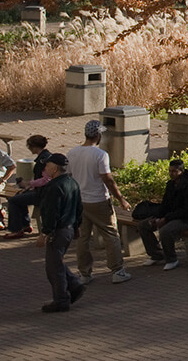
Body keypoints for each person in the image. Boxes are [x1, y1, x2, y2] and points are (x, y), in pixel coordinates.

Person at [67, 120, 132, 284]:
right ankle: (117, 270)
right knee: (111, 235)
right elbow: (108, 180)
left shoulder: (72, 153)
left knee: (83, 237)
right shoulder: (100, 155)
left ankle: (85, 274)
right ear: (98, 135)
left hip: (80, 201)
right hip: (98, 200)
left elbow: (68, 177)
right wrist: (121, 199)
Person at [35, 153, 85, 313]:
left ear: (55, 168)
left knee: (53, 267)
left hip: (58, 231)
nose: (45, 168)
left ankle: (61, 299)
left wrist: (45, 233)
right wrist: (77, 226)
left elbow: (52, 212)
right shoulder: (72, 183)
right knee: (56, 262)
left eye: (48, 165)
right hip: (69, 228)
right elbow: (79, 208)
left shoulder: (54, 187)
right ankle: (74, 285)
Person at [139, 160, 188, 270]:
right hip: (172, 216)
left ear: (182, 171)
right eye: (170, 171)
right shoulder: (170, 185)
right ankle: (156, 254)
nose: (171, 174)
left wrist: (166, 219)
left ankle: (172, 259)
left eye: (175, 171)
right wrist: (157, 217)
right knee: (143, 225)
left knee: (165, 231)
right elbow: (165, 204)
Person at [2, 135, 53, 239]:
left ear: (34, 147)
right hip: (44, 192)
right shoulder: (47, 156)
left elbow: (46, 179)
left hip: (43, 194)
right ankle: (25, 224)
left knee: (13, 201)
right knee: (21, 195)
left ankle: (15, 229)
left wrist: (29, 184)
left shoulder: (43, 161)